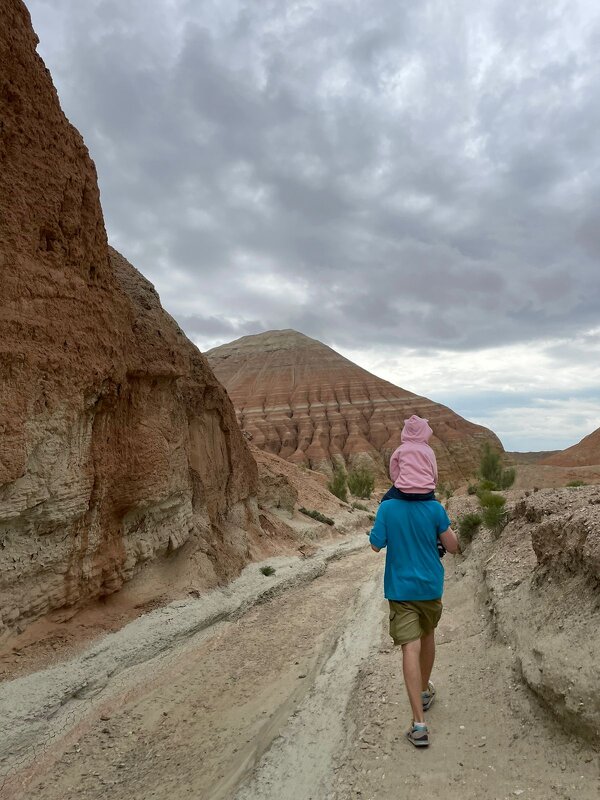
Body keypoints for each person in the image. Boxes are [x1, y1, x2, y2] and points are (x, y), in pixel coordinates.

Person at [369, 490, 459, 747]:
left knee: (410, 645)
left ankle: (419, 725)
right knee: (428, 634)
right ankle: (423, 692)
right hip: (430, 586)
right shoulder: (435, 508)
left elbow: (376, 544)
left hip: (401, 589)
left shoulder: (387, 508)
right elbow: (453, 546)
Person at [381, 414, 438, 504]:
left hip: (404, 491)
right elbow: (434, 473)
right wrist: (431, 484)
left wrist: (398, 483)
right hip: (426, 492)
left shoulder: (400, 449)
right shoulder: (428, 451)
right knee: (435, 506)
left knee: (384, 501)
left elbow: (393, 471)